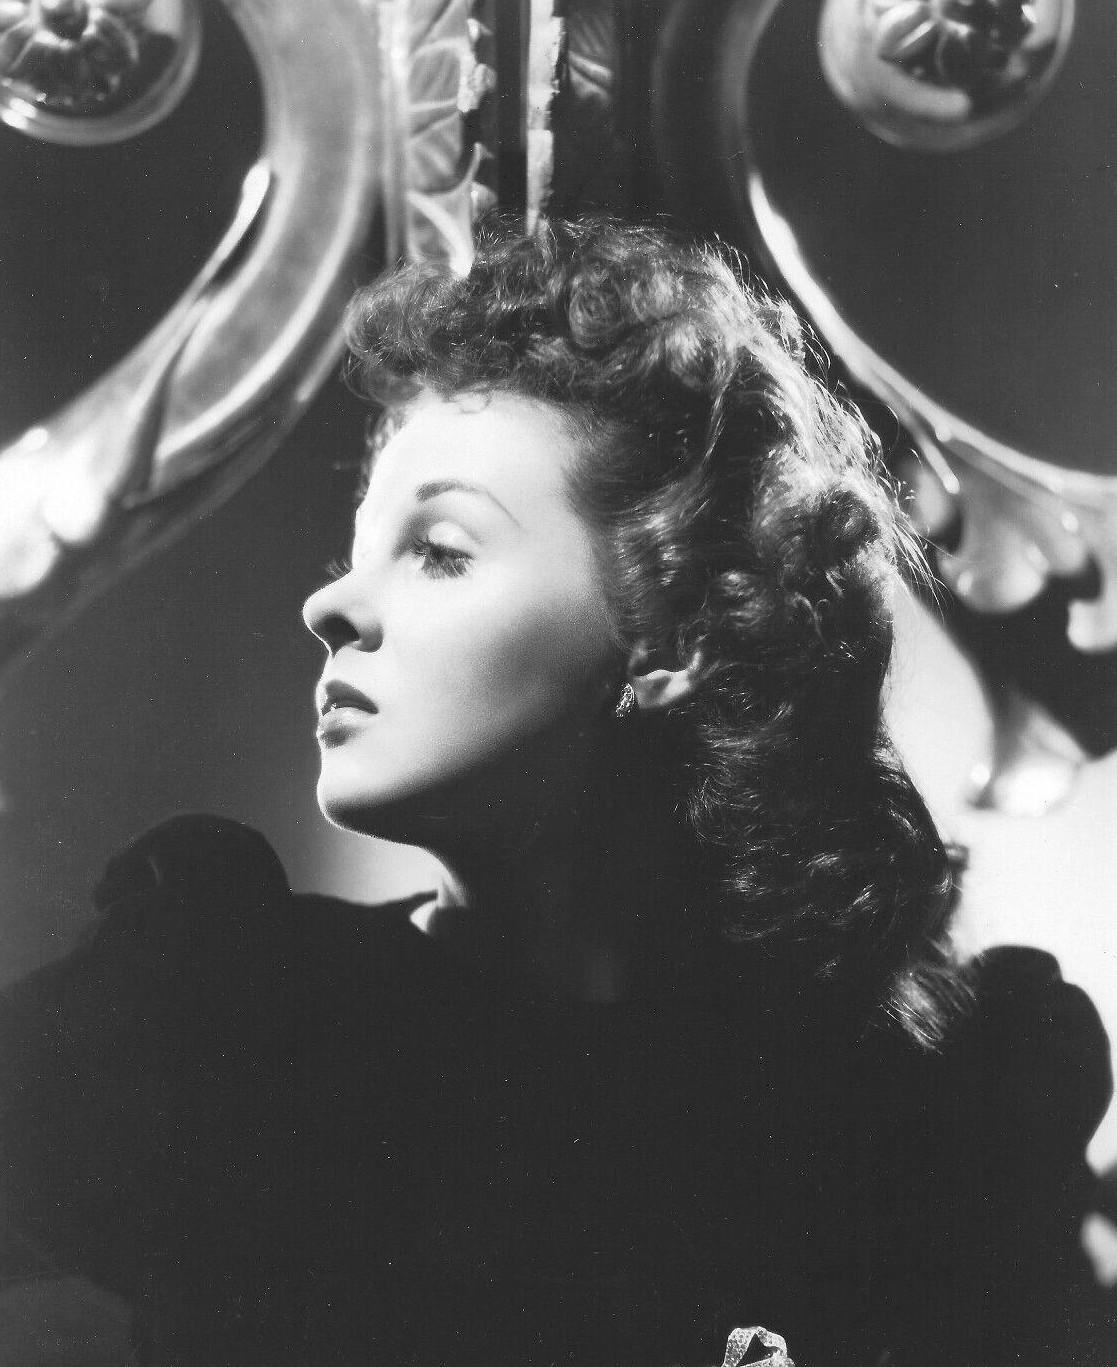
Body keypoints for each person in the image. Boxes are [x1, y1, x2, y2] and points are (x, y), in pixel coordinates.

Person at [0, 219, 1111, 1367]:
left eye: (438, 548)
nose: (328, 605)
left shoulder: (920, 1106)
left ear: (672, 635)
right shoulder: (211, 1017)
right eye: (356, 549)